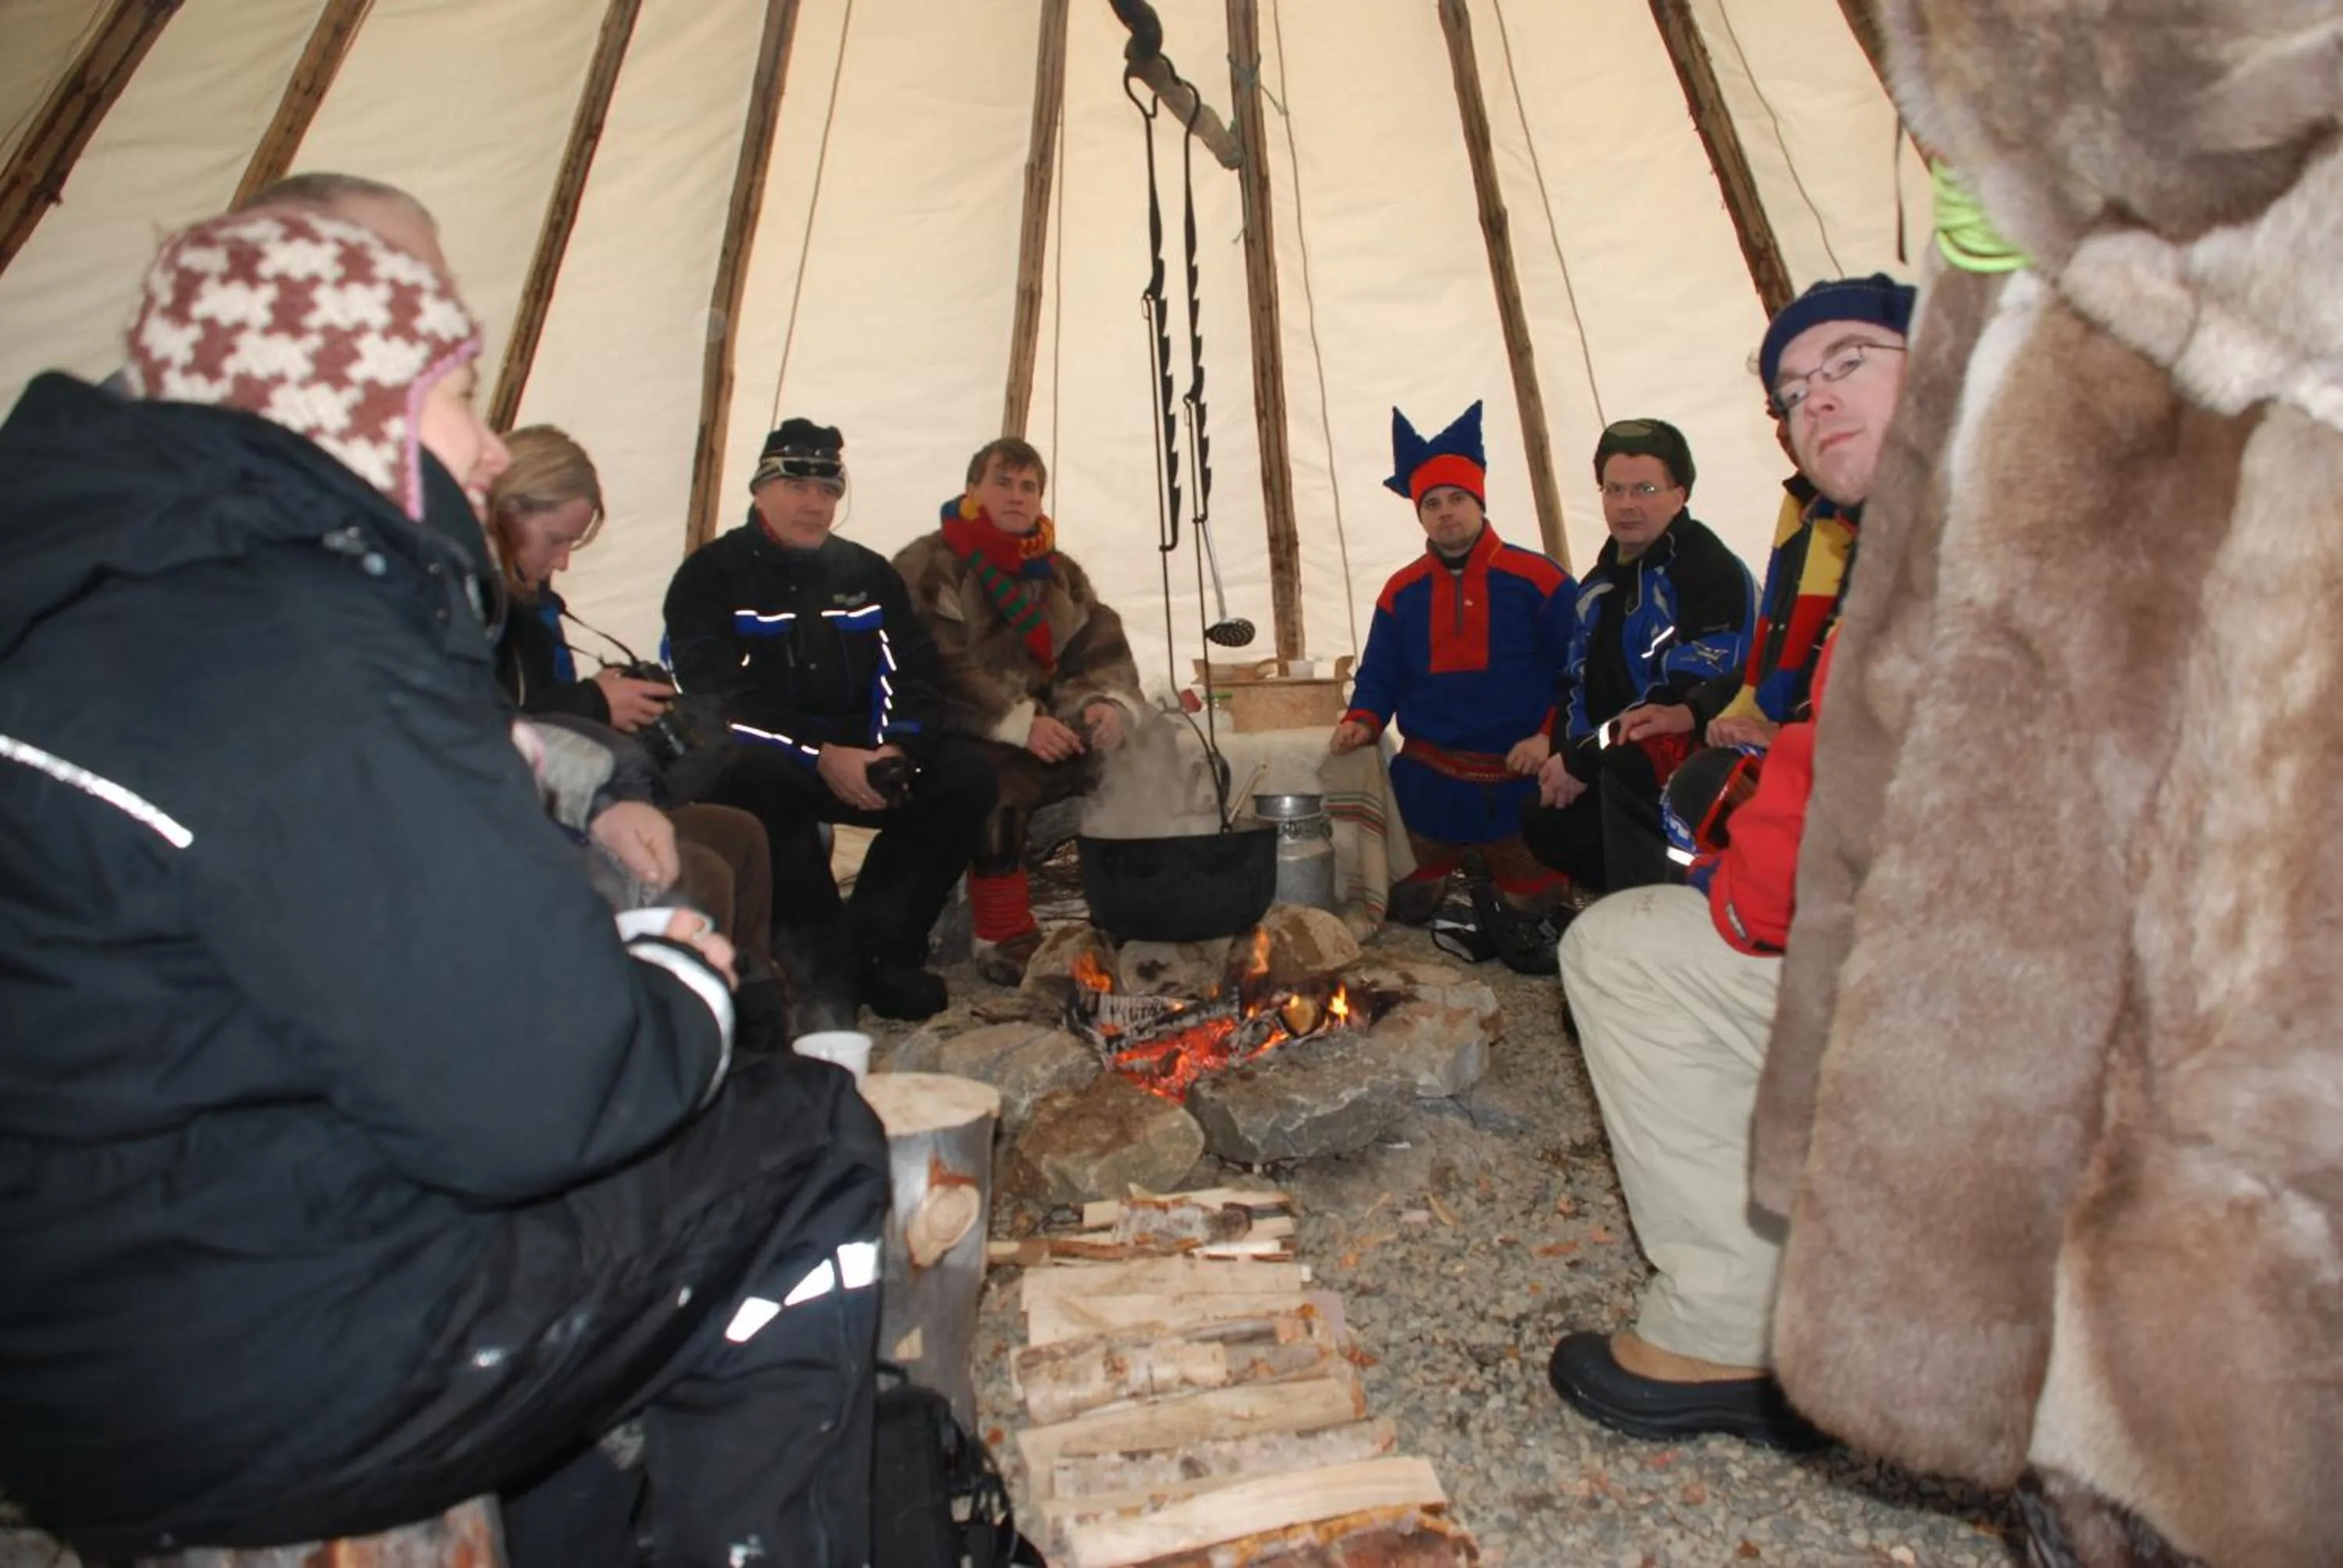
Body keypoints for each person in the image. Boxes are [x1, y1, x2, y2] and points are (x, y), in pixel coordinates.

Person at [0, 210, 890, 1564]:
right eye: (457, 399)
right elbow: (552, 1094)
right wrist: (682, 969)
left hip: (88, 1325)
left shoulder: (92, 604)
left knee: (570, 1348)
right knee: (809, 1136)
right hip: (258, 1371)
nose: (485, 450)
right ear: (343, 402)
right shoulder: (289, 649)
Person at [1545, 273, 1912, 1447]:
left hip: (1971, 991)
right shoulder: (1601, 579)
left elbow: (1698, 690)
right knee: (1557, 794)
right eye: (1793, 393)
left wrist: (1649, 748)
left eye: (1849, 363)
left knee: (1630, 890)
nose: (1815, 402)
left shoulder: (1711, 564)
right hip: (1890, 896)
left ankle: (1734, 1320)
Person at [665, 418, 996, 1021]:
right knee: (758, 784)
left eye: (828, 491)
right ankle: (820, 968)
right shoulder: (711, 576)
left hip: (863, 751)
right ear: (760, 490)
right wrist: (820, 754)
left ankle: (881, 950)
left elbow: (914, 670)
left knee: (965, 775)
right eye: (797, 488)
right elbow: (716, 697)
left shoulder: (866, 575)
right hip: (767, 755)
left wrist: (898, 749)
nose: (815, 505)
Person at [488, 424, 776, 977]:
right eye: (556, 539)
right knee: (697, 870)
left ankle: (750, 1020)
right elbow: (483, 732)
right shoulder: (473, 608)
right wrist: (595, 704)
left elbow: (546, 712)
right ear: (505, 513)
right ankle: (669, 1037)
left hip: (578, 800)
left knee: (741, 833)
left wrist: (612, 703)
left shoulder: (536, 605)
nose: (565, 561)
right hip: (524, 827)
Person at [1624, 275, 1915, 756]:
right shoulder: (1819, 523)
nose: (1807, 411)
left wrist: (1791, 742)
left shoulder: (2016, 529)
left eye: (1847, 363)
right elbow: (1776, 658)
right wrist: (1695, 712)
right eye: (1789, 400)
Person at [891, 437, 1147, 985]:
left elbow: (1096, 649)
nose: (1016, 496)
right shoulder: (929, 564)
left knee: (1147, 749)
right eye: (1002, 482)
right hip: (958, 735)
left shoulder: (1058, 573)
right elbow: (938, 666)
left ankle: (1130, 908)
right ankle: (1003, 935)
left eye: (1028, 486)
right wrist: (1018, 723)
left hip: (1049, 730)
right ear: (971, 491)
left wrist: (1103, 706)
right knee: (988, 778)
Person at [1331, 400, 1573, 974]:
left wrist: (1549, 738)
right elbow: (1380, 674)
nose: (1446, 514)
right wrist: (1363, 718)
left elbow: (1579, 673)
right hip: (1430, 780)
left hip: (1519, 781)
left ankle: (1498, 889)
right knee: (1405, 907)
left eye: (1457, 499)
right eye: (1432, 504)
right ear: (1420, 515)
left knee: (1535, 913)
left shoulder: (1540, 579)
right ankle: (1457, 888)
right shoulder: (1401, 591)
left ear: (1480, 502)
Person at [1521, 419, 1753, 896]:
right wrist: (1567, 756)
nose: (1627, 504)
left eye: (1646, 489)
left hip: (1703, 750)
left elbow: (1675, 700)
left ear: (1679, 495)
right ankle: (1622, 908)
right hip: (1614, 751)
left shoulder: (1709, 572)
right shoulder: (1598, 584)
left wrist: (1583, 761)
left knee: (1629, 767)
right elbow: (1575, 684)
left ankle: (1668, 914)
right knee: (1544, 815)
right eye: (1614, 489)